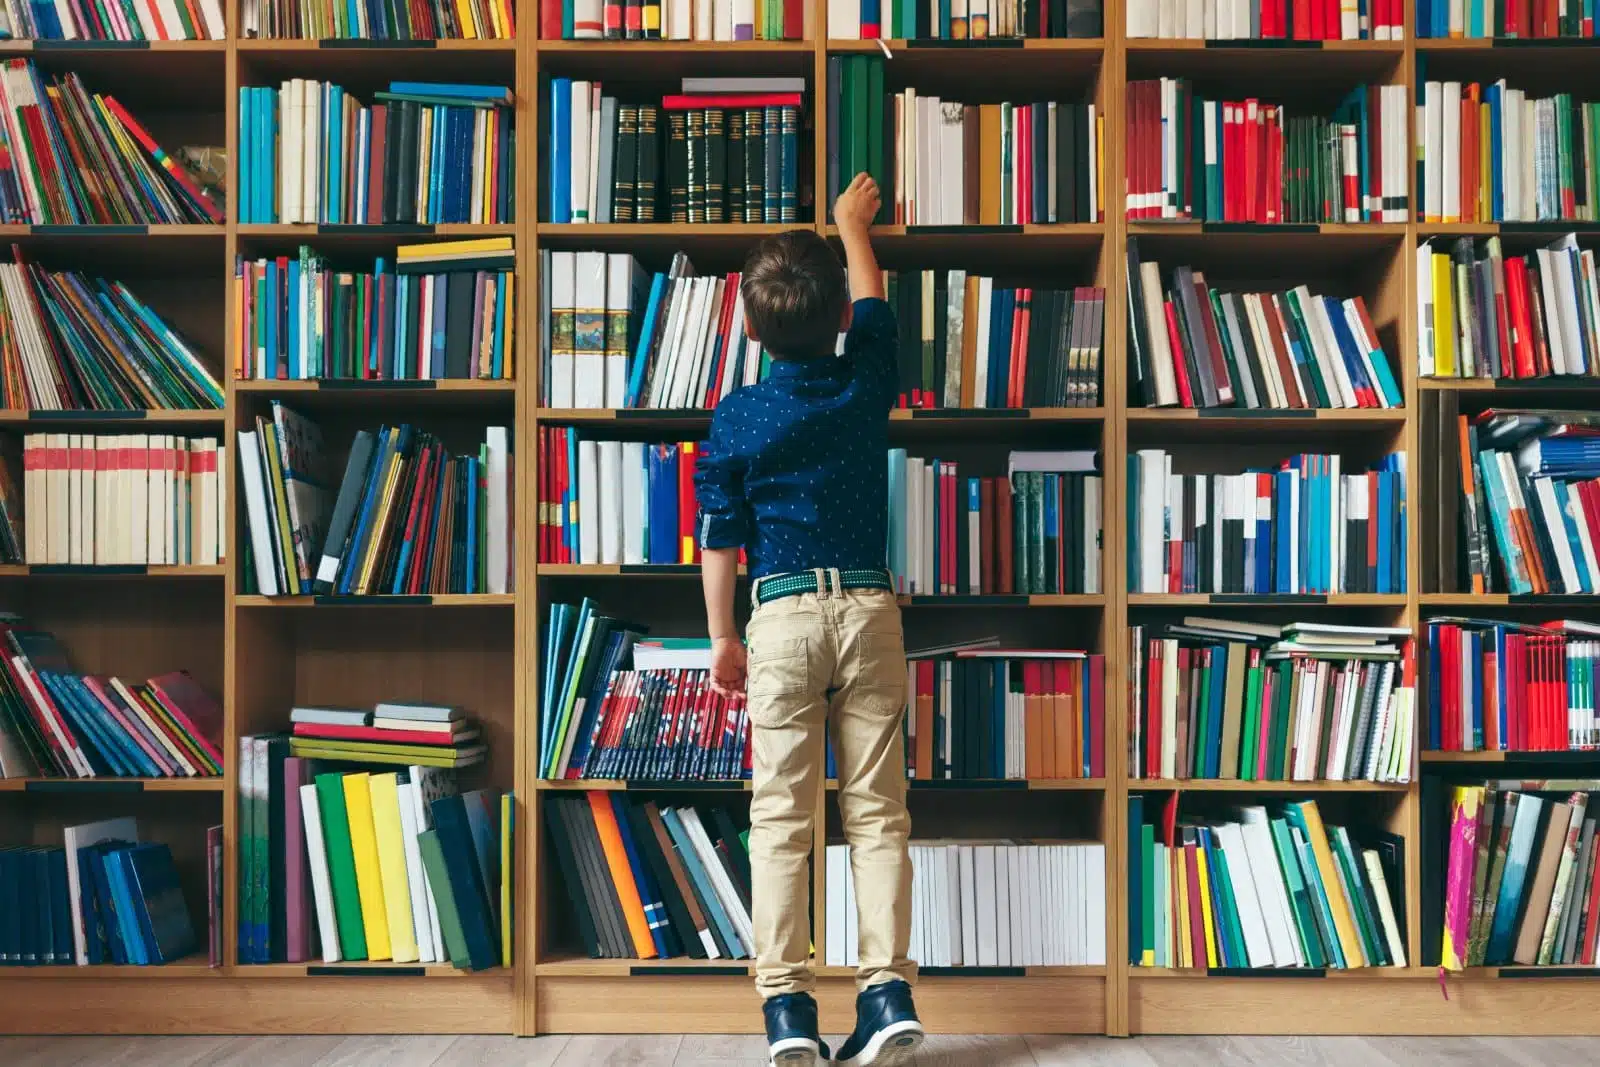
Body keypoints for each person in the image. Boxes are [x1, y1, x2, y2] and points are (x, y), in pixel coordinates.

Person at [694, 173, 923, 1067]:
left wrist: (720, 636)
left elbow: (719, 537)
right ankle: (887, 992)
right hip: (869, 608)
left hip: (781, 616)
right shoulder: (865, 385)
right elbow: (876, 309)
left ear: (750, 330)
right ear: (834, 324)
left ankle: (788, 1010)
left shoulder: (739, 414)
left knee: (781, 819)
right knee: (879, 815)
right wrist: (851, 226)